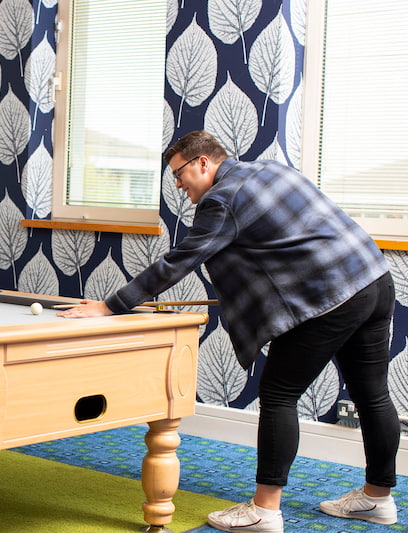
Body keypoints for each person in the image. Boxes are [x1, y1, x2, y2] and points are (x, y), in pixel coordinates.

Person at [58, 130, 399, 532]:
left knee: (278, 395)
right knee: (372, 394)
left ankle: (264, 511)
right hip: (375, 280)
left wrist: (109, 306)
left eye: (179, 174)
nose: (179, 185)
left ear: (204, 162)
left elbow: (178, 261)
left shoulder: (222, 199)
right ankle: (378, 498)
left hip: (333, 297)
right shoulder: (270, 170)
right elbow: (294, 244)